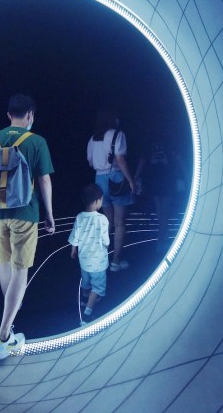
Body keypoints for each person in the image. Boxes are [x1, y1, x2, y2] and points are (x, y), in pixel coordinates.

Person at [0, 94, 56, 360]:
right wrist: (50, 214)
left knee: (5, 265)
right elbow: (44, 181)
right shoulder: (37, 141)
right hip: (25, 213)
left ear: (9, 115)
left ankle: (9, 325)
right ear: (30, 114)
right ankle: (4, 336)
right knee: (21, 270)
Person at [87, 108, 136, 271]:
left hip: (99, 181)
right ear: (112, 118)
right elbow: (120, 159)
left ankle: (101, 258)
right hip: (116, 179)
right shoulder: (118, 134)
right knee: (120, 223)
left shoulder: (93, 139)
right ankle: (115, 261)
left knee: (107, 221)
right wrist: (131, 181)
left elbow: (91, 163)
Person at [69, 183, 109, 325]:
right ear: (98, 201)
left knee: (86, 282)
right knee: (97, 287)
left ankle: (85, 298)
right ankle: (87, 314)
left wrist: (74, 250)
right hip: (98, 261)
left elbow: (75, 236)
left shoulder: (80, 217)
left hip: (84, 260)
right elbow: (106, 240)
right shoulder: (102, 219)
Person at [135, 138, 185, 252]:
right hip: (165, 180)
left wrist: (136, 177)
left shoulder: (150, 140)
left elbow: (143, 160)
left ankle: (162, 240)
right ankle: (161, 241)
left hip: (157, 180)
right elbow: (178, 159)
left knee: (161, 214)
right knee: (164, 214)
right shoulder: (169, 141)